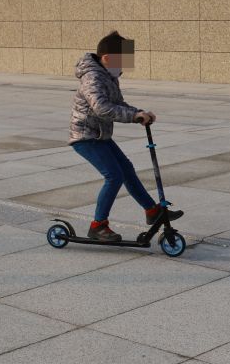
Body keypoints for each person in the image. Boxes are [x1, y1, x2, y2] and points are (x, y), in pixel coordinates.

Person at [69, 30, 182, 241]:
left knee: (127, 170)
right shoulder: (92, 77)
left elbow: (118, 104)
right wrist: (133, 116)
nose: (124, 67)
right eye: (122, 61)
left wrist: (140, 113)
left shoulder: (108, 76)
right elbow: (102, 108)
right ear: (107, 58)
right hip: (85, 137)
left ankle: (152, 211)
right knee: (114, 176)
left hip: (99, 135)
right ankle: (98, 226)